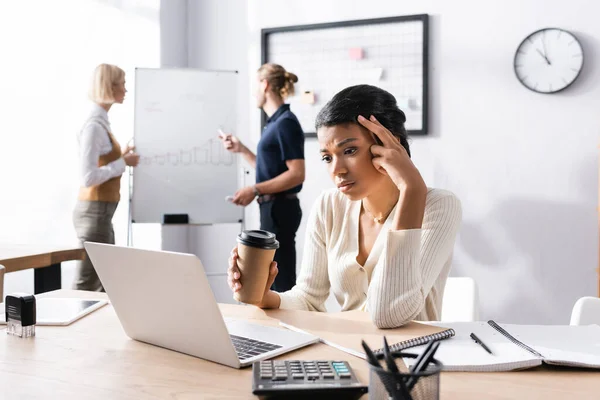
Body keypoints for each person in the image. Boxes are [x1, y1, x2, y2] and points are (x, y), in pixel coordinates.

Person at [227, 84, 462, 328]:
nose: (336, 170)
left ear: (390, 144)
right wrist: (266, 298)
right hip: (348, 352)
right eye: (327, 158)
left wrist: (412, 189)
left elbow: (388, 314)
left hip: (413, 360)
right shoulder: (329, 206)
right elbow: (308, 298)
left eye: (349, 150)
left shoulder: (439, 206)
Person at [219, 63, 305, 292]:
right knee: (272, 277)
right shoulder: (274, 123)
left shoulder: (285, 123)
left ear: (265, 84)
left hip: (280, 209)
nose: (254, 93)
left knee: (281, 277)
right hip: (272, 208)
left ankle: (289, 324)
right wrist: (242, 150)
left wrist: (255, 189)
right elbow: (269, 169)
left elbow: (297, 174)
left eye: (255, 86)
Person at [73, 64, 140, 291]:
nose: (125, 90)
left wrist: (122, 157)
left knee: (104, 282)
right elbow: (88, 177)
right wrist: (123, 163)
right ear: (109, 86)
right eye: (122, 84)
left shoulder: (101, 123)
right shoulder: (94, 126)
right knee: (88, 281)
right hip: (94, 213)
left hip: (102, 213)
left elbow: (102, 162)